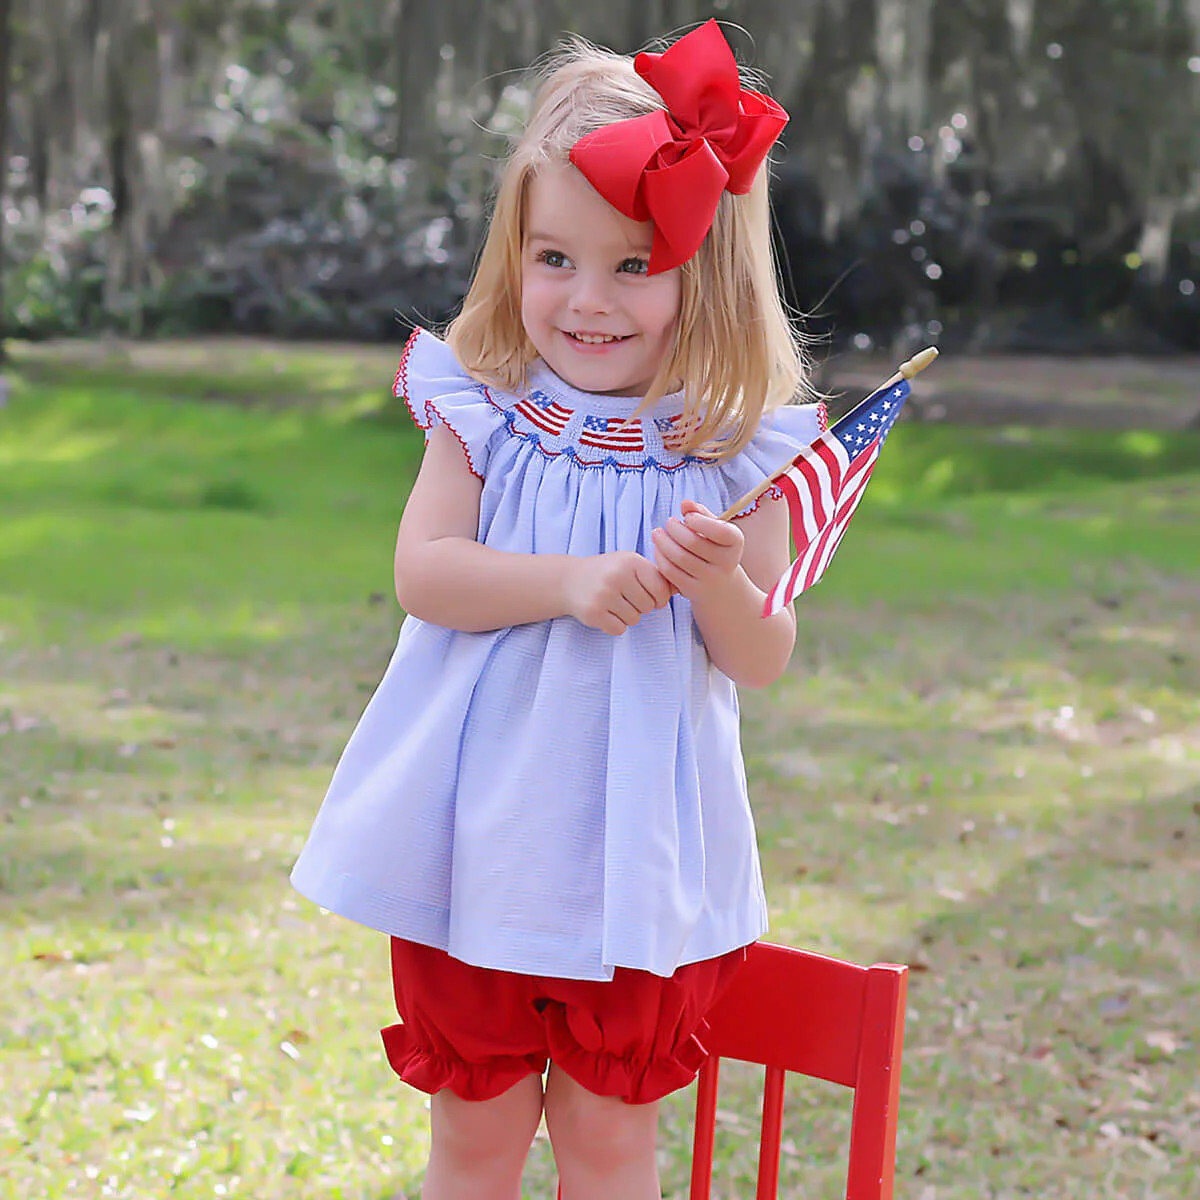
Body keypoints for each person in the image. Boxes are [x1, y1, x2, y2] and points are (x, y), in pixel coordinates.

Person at [290, 18, 826, 1200]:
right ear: (514, 254)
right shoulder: (488, 410)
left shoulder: (738, 451)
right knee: (475, 1135)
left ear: (709, 273)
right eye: (553, 259)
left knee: (608, 1139)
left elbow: (762, 654)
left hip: (636, 860)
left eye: (634, 266)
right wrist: (567, 583)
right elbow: (427, 571)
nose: (587, 300)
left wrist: (718, 579)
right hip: (479, 843)